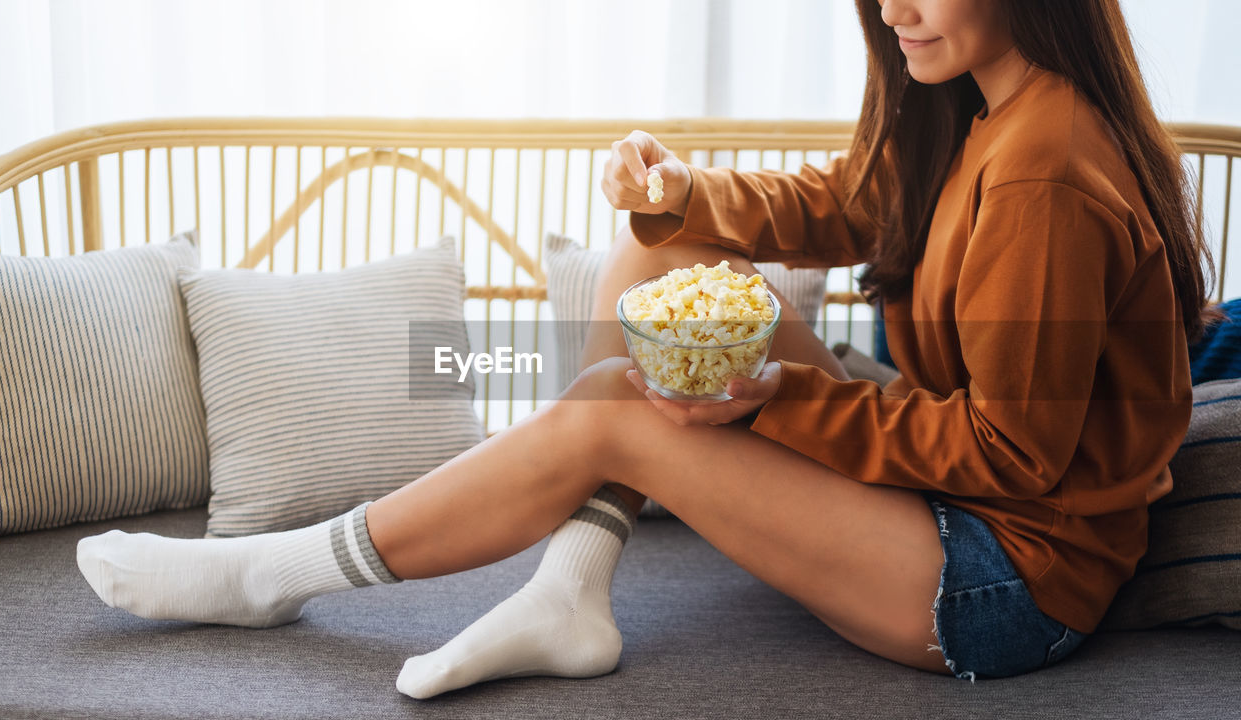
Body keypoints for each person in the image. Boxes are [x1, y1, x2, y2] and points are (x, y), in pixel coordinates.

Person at [75, 0, 1214, 697]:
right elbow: (844, 199)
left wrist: (766, 401)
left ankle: (271, 574)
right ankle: (572, 588)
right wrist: (680, 195)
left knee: (621, 404)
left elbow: (1009, 457)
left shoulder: (1040, 171)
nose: (891, 10)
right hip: (959, 511)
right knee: (663, 263)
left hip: (1008, 582)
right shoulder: (980, 108)